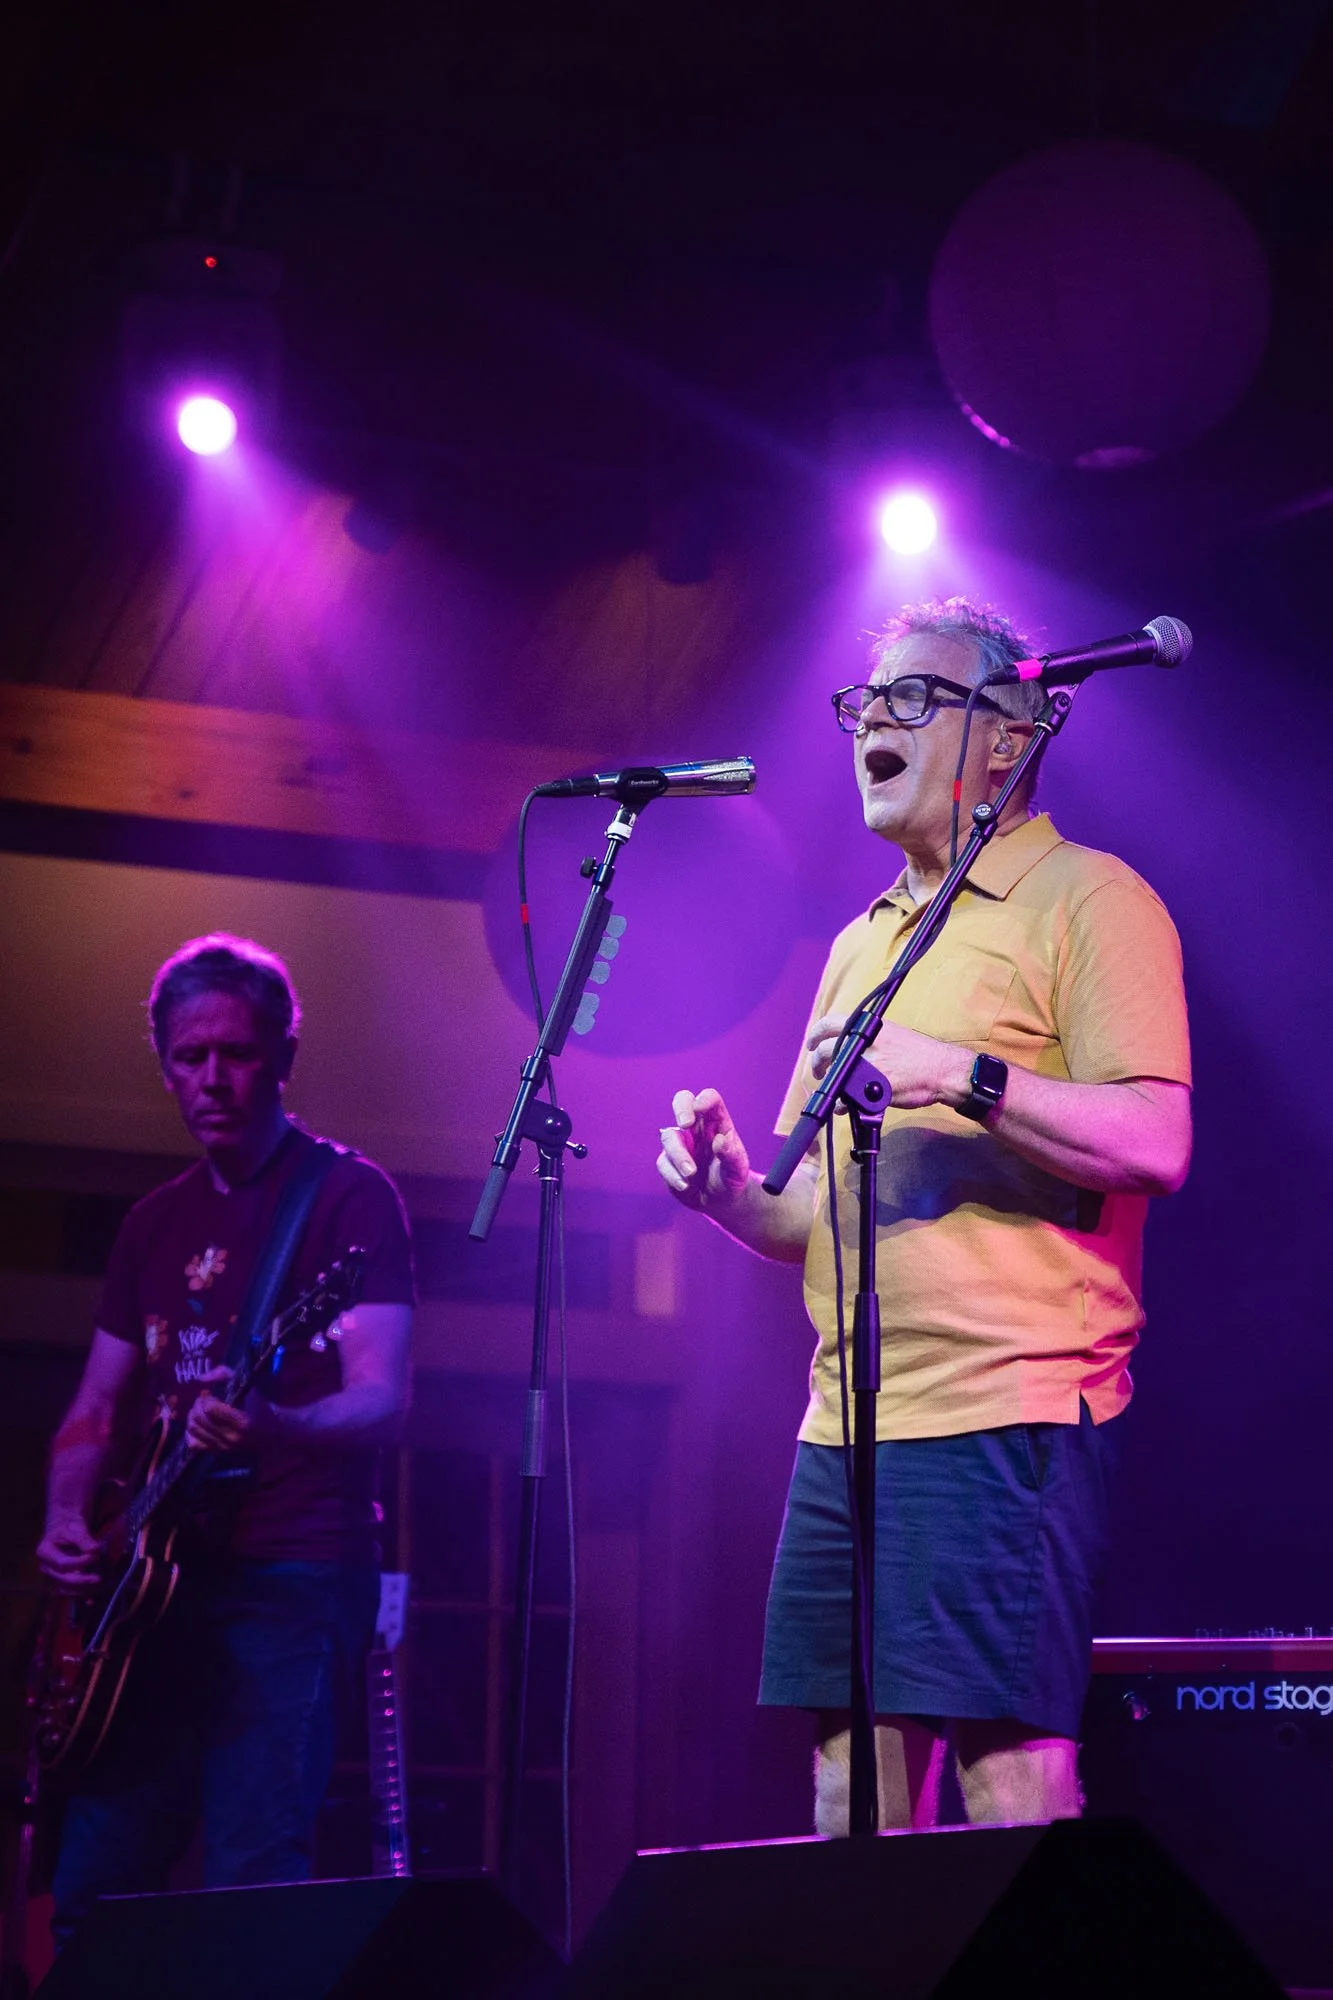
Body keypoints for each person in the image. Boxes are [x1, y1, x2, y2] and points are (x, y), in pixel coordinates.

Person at [656, 598, 1192, 1832]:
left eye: (910, 698)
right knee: (850, 1787)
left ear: (1005, 738)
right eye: (864, 701)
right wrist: (730, 1188)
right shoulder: (861, 944)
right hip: (843, 1423)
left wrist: (964, 1071)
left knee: (1009, 1782)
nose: (869, 722)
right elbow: (812, 1214)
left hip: (1005, 1408)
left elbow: (1157, 1142)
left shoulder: (1087, 897)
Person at [37, 933, 414, 1938]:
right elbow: (95, 1403)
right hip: (148, 1587)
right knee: (95, 1882)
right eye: (188, 1057)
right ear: (163, 1067)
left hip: (289, 1569)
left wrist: (280, 1419)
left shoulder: (345, 1197)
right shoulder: (151, 1223)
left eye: (236, 1052)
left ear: (283, 1057)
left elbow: (384, 1394)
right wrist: (67, 1513)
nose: (212, 1076)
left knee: (252, 1873)